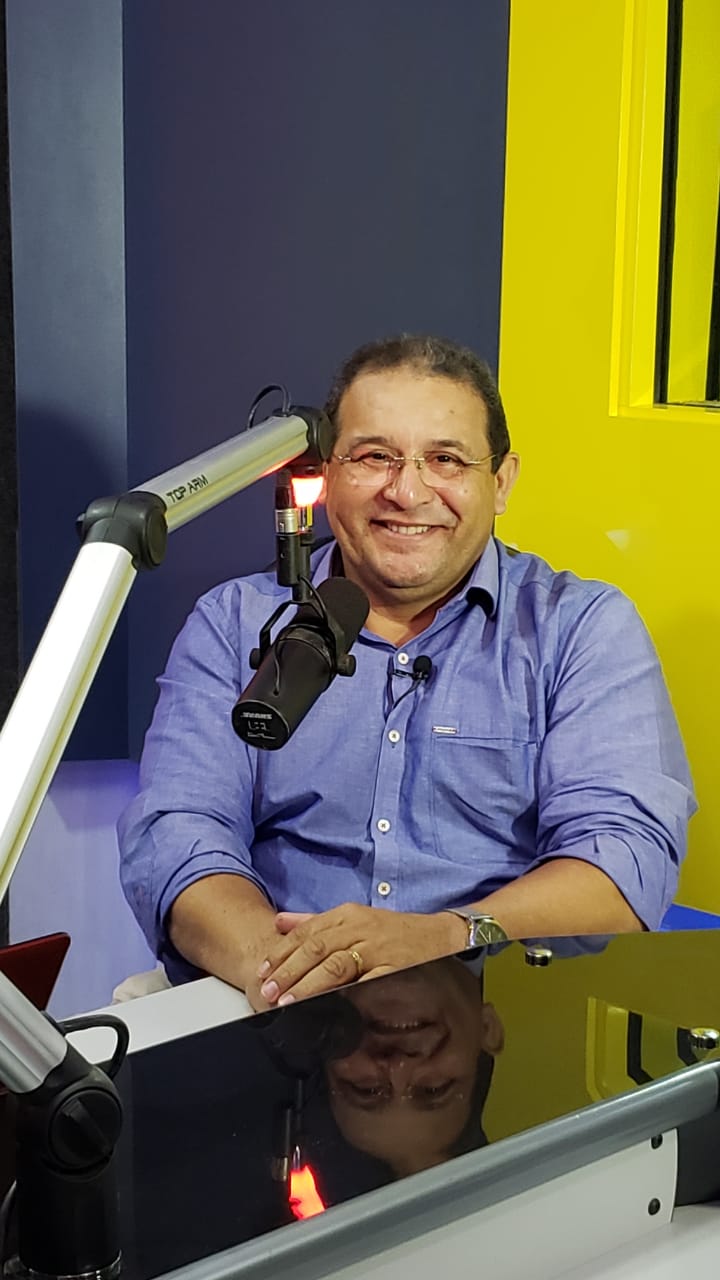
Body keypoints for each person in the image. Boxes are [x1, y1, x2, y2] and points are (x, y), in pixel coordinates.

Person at [118, 334, 695, 1012]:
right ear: (326, 476)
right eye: (374, 457)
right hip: (269, 1005)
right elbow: (178, 835)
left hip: (499, 1015)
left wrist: (443, 939)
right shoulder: (236, 623)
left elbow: (622, 862)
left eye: (445, 459)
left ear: (501, 482)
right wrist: (291, 974)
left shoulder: (581, 629)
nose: (407, 491)